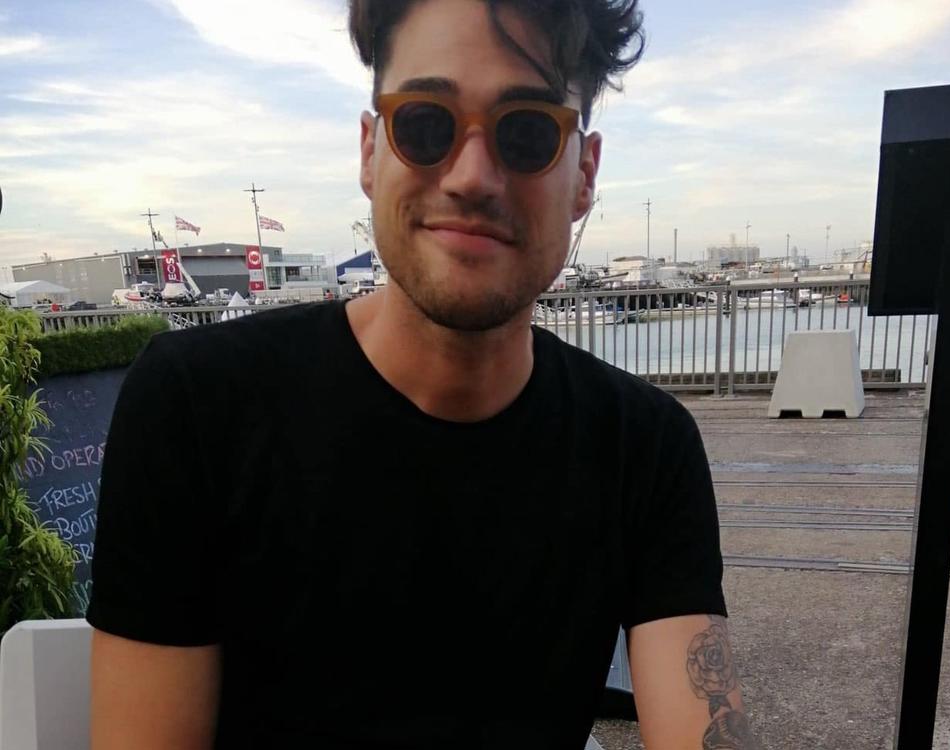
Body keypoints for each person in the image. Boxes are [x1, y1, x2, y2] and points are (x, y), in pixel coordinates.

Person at [88, 1, 761, 748]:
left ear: (584, 174)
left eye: (527, 132)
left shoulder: (645, 448)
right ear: (370, 152)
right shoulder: (196, 406)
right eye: (425, 123)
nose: (472, 177)